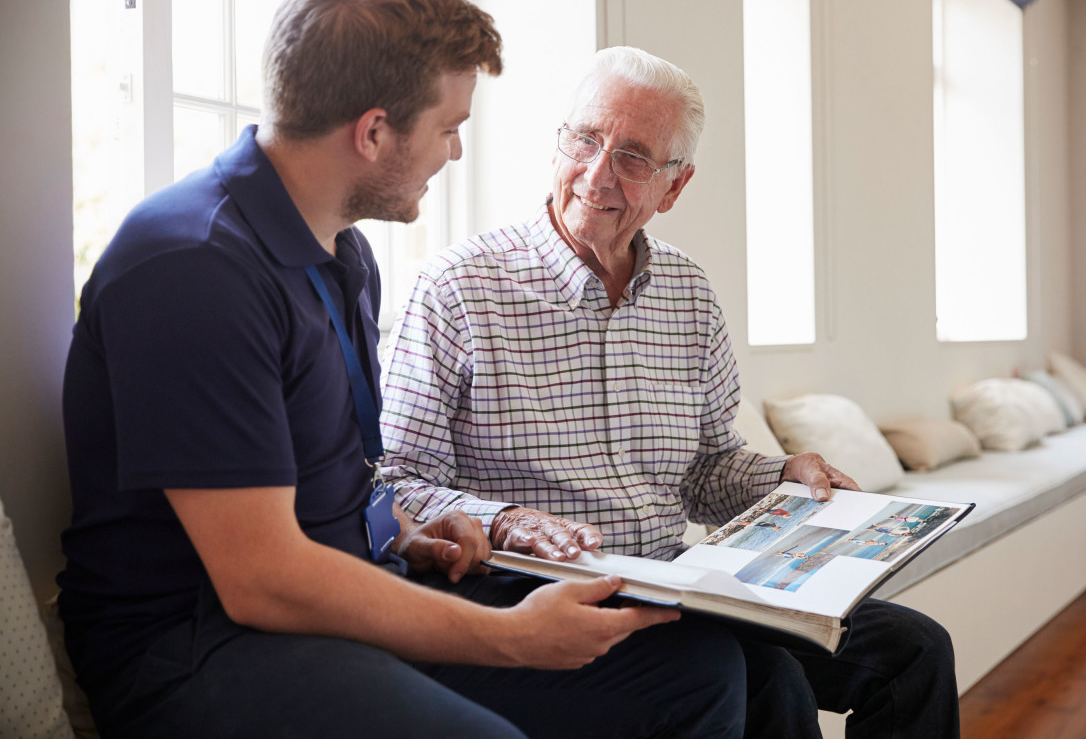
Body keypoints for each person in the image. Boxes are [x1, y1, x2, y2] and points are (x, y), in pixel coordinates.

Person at [57, 0, 753, 739]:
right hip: (196, 644)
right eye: (450, 127)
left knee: (694, 675)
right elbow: (261, 581)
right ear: (375, 131)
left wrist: (402, 532)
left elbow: (344, 476)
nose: (456, 153)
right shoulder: (191, 265)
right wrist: (513, 638)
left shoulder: (343, 257)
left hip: (337, 594)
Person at [379, 45, 961, 738]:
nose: (598, 174)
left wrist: (786, 474)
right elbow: (397, 482)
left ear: (673, 188)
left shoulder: (688, 295)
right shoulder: (456, 288)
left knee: (916, 652)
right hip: (533, 590)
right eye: (585, 140)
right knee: (769, 680)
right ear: (558, 142)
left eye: (632, 157)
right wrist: (507, 519)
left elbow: (708, 471)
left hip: (682, 580)